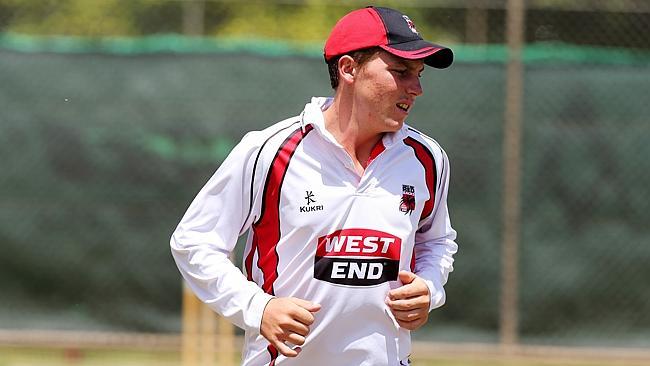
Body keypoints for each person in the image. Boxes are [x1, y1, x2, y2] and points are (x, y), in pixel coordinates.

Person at [171, 6, 458, 366]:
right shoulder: (269, 150)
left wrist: (429, 288)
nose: (416, 88)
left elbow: (437, 241)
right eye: (400, 72)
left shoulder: (428, 158)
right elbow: (194, 240)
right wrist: (259, 308)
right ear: (348, 68)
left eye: (418, 74)